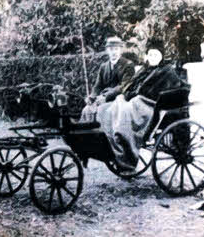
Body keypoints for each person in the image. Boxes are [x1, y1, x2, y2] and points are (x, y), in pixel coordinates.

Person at [96, 38, 189, 174]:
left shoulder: (166, 71)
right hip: (138, 100)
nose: (153, 58)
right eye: (150, 55)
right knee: (112, 107)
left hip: (150, 105)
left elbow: (149, 92)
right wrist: (127, 94)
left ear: (162, 56)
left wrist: (132, 95)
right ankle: (116, 143)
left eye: (156, 55)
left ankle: (124, 139)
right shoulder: (145, 69)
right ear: (146, 56)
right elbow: (131, 85)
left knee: (126, 110)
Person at [80, 36, 135, 122]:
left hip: (119, 99)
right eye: (111, 49)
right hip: (102, 98)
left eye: (116, 49)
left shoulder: (128, 65)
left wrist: (106, 97)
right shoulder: (103, 66)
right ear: (107, 51)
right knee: (87, 110)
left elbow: (124, 86)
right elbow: (98, 86)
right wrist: (92, 97)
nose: (114, 52)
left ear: (121, 50)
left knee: (103, 110)